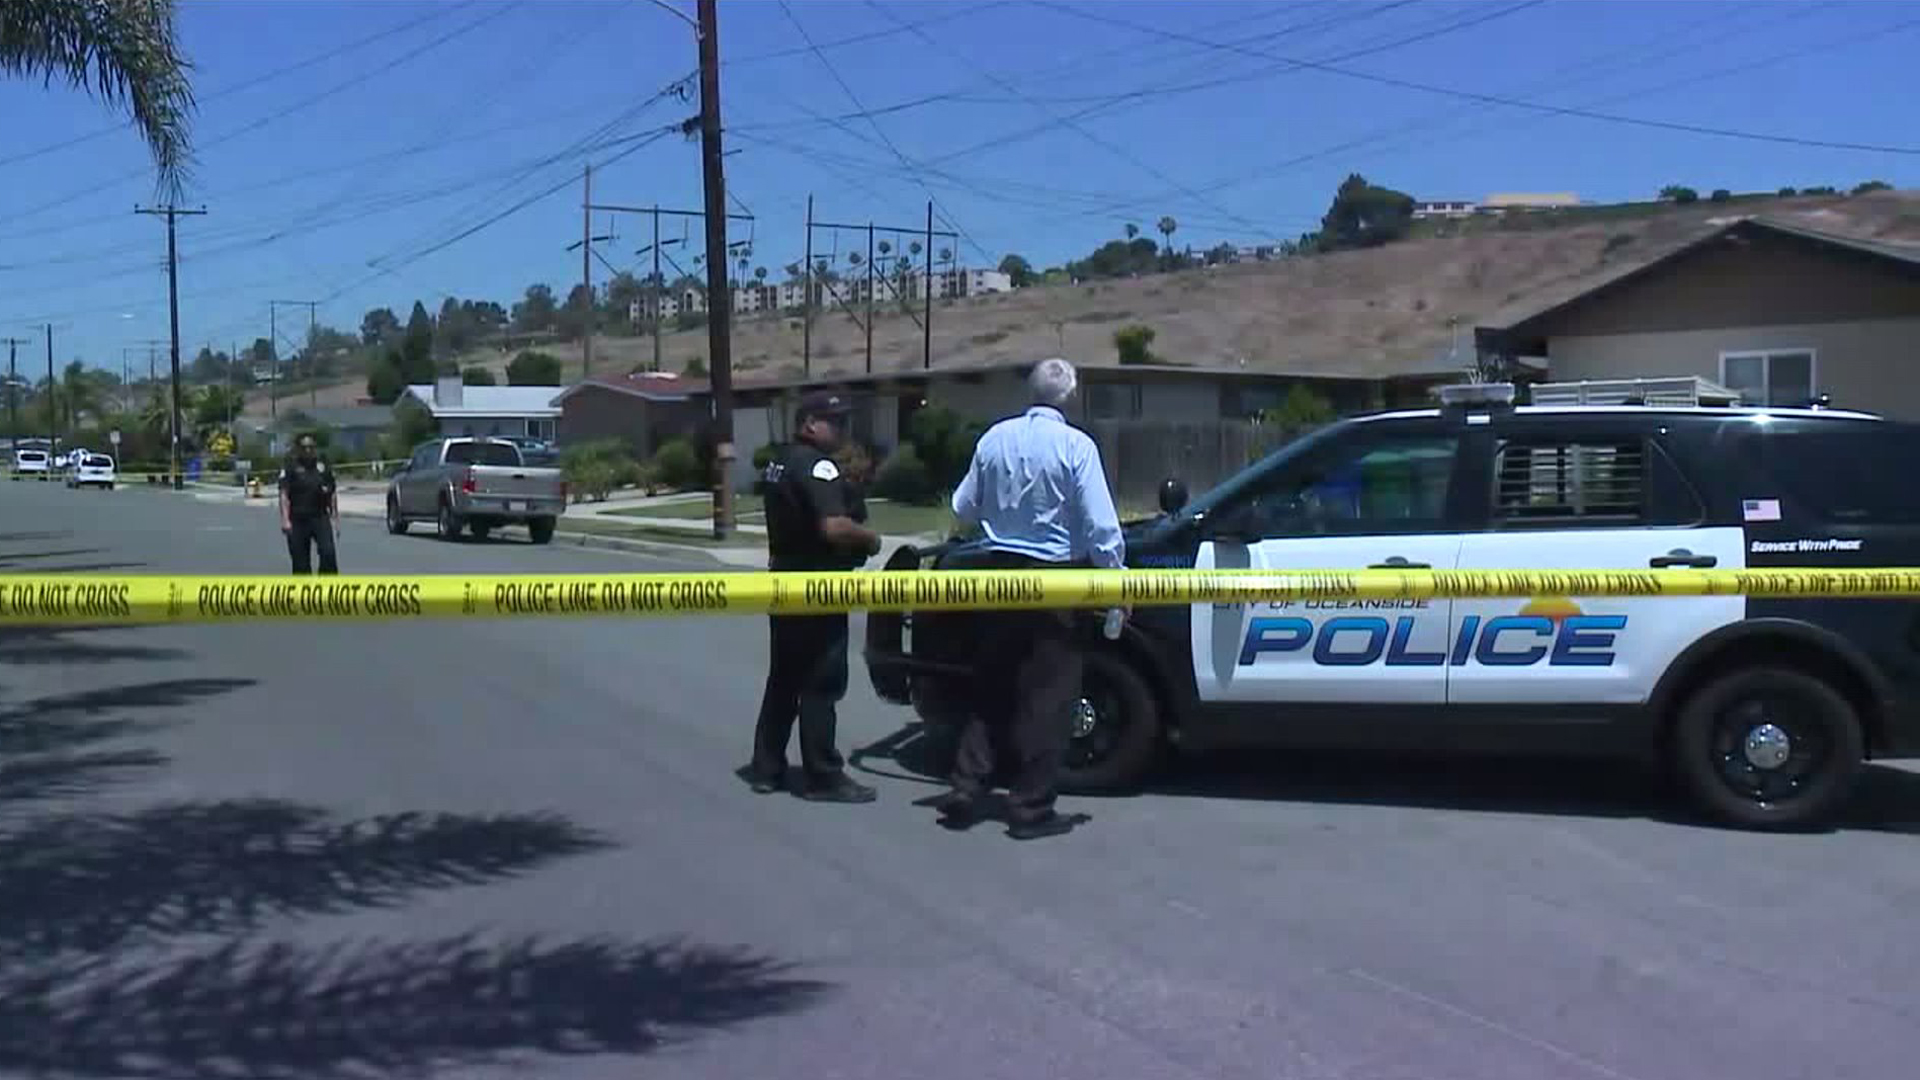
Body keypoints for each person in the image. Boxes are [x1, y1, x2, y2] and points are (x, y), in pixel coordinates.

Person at [936, 357, 1125, 840]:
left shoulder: (994, 438)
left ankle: (966, 785)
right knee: (1050, 697)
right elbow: (1101, 526)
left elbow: (963, 506)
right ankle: (1030, 806)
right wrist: (1115, 580)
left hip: (996, 572)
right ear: (1071, 398)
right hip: (1054, 579)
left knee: (992, 685)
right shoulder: (1076, 446)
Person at [744, 390, 884, 803]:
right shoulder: (817, 465)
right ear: (809, 425)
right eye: (834, 421)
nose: (842, 429)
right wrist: (871, 539)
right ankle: (823, 775)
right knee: (822, 681)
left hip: (784, 580)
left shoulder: (779, 461)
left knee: (784, 677)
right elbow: (833, 527)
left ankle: (766, 768)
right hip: (818, 584)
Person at [278, 433, 339, 574]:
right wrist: (285, 520)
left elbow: (332, 492)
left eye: (311, 447)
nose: (308, 450)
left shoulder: (322, 467)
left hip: (320, 516)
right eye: (304, 447)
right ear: (299, 449)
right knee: (300, 562)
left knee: (328, 552)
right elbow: (284, 494)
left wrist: (335, 518)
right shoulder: (291, 466)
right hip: (298, 518)